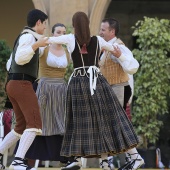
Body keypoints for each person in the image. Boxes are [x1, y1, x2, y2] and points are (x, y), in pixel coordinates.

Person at [47, 11, 144, 170]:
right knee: (106, 120)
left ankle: (80, 159)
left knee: (80, 120)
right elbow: (116, 49)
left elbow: (50, 39)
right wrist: (121, 54)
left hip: (79, 83)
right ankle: (112, 159)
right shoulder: (98, 40)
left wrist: (33, 40)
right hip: (97, 83)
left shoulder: (71, 38)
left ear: (75, 25)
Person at [0, 9, 48, 170]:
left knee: (20, 127)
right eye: (45, 24)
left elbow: (10, 63)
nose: (46, 27)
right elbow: (20, 58)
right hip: (21, 84)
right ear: (39, 23)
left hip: (13, 84)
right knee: (34, 124)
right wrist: (36, 44)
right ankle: (18, 161)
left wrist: (40, 44)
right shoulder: (28, 37)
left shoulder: (25, 37)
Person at [24, 23, 72, 167]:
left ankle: (65, 158)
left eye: (64, 32)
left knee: (61, 122)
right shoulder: (44, 49)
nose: (61, 34)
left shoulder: (68, 51)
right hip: (45, 88)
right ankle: (29, 158)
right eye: (58, 32)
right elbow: (27, 54)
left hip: (61, 89)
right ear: (52, 33)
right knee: (42, 122)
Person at [99, 18, 140, 168]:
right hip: (109, 91)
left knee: (116, 126)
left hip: (119, 89)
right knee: (107, 126)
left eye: (103, 30)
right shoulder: (107, 47)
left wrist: (120, 56)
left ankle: (134, 157)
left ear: (112, 31)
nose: (100, 32)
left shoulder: (118, 46)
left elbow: (133, 67)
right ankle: (106, 161)